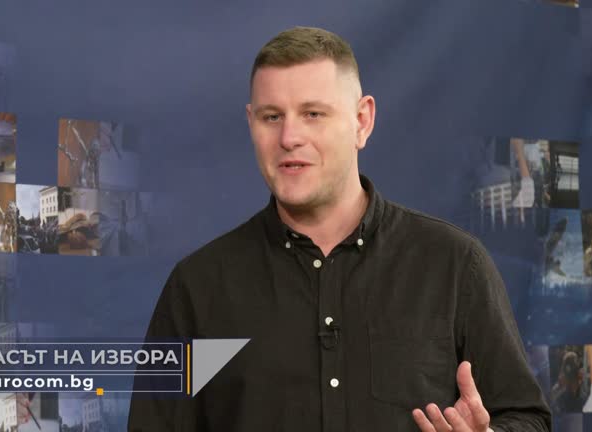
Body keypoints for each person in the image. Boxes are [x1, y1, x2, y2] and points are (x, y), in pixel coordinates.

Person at [128, 26, 551, 432]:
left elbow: (528, 419)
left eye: (313, 114)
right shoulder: (197, 288)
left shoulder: (455, 265)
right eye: (271, 116)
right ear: (251, 122)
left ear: (362, 121)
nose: (289, 137)